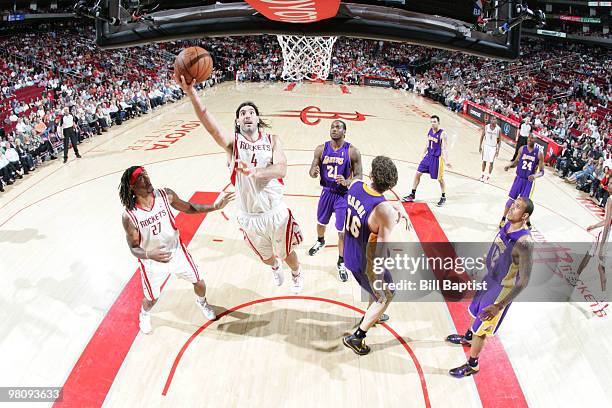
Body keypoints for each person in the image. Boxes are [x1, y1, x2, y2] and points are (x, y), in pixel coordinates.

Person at [177, 75, 305, 292]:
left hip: (275, 212)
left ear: (257, 119)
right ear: (237, 121)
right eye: (242, 113)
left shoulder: (272, 140)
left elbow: (281, 168)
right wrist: (191, 93)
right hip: (249, 217)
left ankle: (296, 273)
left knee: (287, 253)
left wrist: (254, 171)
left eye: (251, 113)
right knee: (266, 257)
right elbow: (211, 125)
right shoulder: (233, 145)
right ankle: (274, 267)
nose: (247, 115)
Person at [119, 166, 234, 334]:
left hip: (177, 252)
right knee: (151, 299)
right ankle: (144, 314)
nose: (147, 179)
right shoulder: (130, 215)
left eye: (146, 175)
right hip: (152, 263)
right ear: (132, 187)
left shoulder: (165, 195)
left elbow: (189, 208)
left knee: (200, 282)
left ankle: (202, 302)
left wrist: (214, 207)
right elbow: (133, 248)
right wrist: (148, 254)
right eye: (141, 179)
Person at [446, 197, 534, 377]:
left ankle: (472, 365)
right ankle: (467, 338)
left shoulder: (525, 242)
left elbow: (524, 281)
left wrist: (499, 305)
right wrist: (482, 262)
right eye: (512, 204)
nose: (511, 208)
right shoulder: (507, 225)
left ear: (525, 215)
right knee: (475, 313)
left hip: (500, 290)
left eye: (517, 207)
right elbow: (497, 249)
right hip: (489, 279)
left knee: (482, 329)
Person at [342, 156, 411, 355]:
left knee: (375, 293)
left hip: (350, 252)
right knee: (386, 294)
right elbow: (380, 249)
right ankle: (358, 337)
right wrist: (378, 279)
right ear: (390, 185)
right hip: (367, 260)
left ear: (371, 175)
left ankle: (373, 316)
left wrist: (397, 209)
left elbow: (372, 207)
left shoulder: (356, 185)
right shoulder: (384, 212)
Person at [308, 120, 363, 282]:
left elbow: (360, 175)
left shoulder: (352, 151)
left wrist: (347, 181)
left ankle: (341, 261)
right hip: (326, 193)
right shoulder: (321, 149)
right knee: (320, 222)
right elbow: (311, 171)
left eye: (338, 127)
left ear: (345, 132)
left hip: (342, 196)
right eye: (332, 127)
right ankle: (320, 241)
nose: (334, 129)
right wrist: (314, 171)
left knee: (342, 231)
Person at [401, 115, 452, 206]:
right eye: (431, 122)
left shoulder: (443, 134)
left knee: (440, 179)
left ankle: (443, 197)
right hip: (428, 157)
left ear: (438, 123)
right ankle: (412, 194)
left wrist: (447, 161)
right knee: (417, 173)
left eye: (434, 122)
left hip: (437, 158)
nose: (432, 123)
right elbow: (428, 143)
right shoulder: (429, 131)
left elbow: (444, 148)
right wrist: (423, 153)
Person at [500, 133, 544, 228]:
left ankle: (524, 222)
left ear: (535, 141)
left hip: (528, 182)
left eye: (532, 139)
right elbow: (516, 162)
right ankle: (503, 218)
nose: (529, 139)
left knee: (524, 205)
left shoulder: (539, 154)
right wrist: (509, 166)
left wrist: (535, 176)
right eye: (529, 138)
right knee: (510, 201)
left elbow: (542, 172)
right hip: (519, 178)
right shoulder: (522, 149)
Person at [579, 197, 610, 291]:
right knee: (600, 266)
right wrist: (595, 226)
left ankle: (575, 277)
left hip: (607, 234)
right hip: (607, 233)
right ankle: (604, 293)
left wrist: (602, 245)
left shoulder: (610, 199)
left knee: (592, 258)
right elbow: (608, 221)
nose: (608, 184)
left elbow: (608, 223)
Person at [479, 116, 501, 183]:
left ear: (496, 121)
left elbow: (499, 140)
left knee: (491, 162)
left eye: (495, 119)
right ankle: (482, 175)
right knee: (484, 161)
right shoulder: (486, 127)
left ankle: (488, 177)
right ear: (490, 120)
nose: (493, 120)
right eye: (492, 119)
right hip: (486, 146)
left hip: (493, 147)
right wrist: (480, 145)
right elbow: (482, 136)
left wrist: (498, 150)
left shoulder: (498, 129)